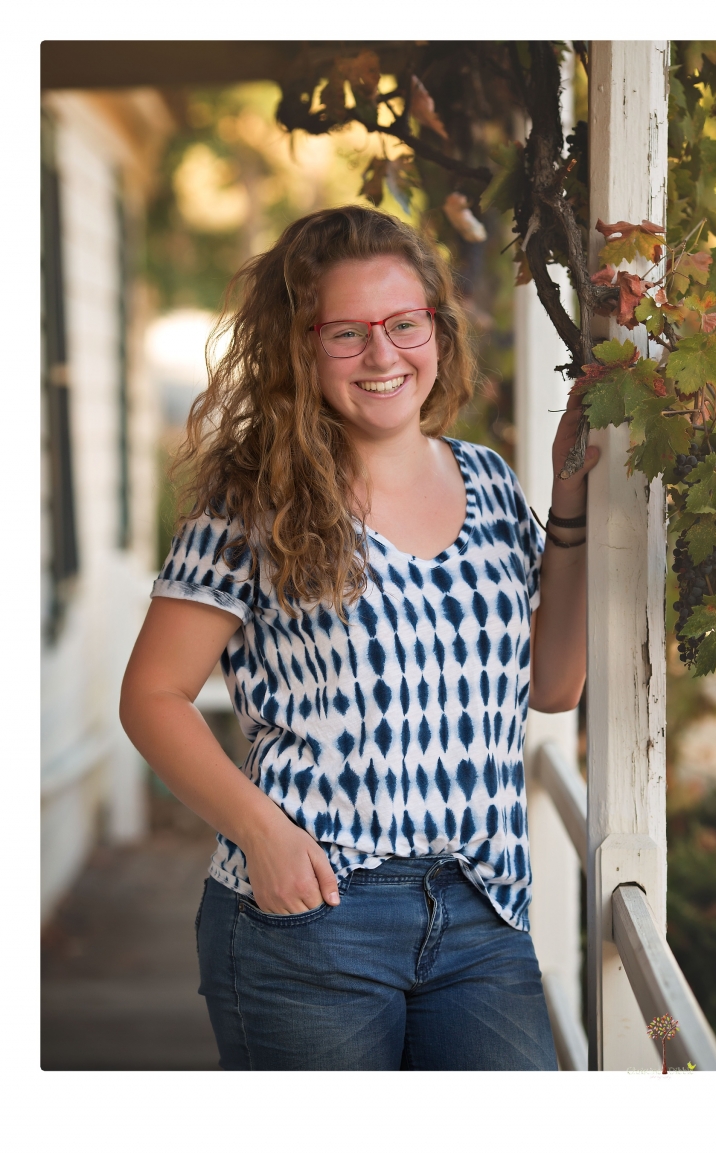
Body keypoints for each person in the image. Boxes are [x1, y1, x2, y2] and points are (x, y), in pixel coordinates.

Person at [120, 205, 598, 1071]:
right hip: (311, 919)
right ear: (301, 348)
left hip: (483, 911)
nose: (383, 355)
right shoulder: (255, 497)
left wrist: (570, 499)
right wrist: (261, 833)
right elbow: (152, 697)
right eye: (347, 332)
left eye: (403, 323)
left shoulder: (488, 481)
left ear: (438, 333)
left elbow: (554, 685)